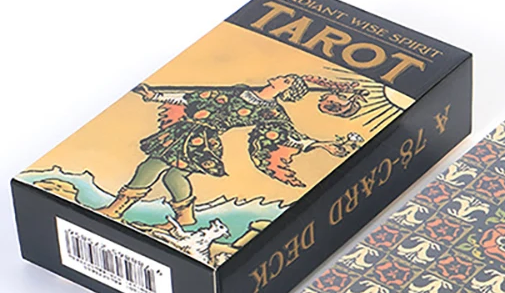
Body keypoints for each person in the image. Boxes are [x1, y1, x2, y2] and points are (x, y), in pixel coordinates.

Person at [101, 74, 361, 228]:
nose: (281, 77)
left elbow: (288, 136)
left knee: (152, 166)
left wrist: (322, 144)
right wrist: (155, 97)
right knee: (174, 176)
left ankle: (116, 210)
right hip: (186, 130)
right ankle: (186, 219)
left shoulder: (271, 112)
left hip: (200, 138)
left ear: (286, 90)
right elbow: (193, 99)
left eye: (286, 80)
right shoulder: (240, 91)